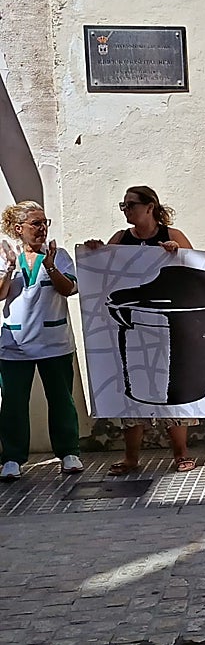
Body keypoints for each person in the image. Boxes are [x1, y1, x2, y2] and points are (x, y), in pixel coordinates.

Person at [84, 186, 199, 474]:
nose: (126, 211)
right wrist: (96, 253)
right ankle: (132, 458)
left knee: (170, 390)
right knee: (131, 393)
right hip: (132, 324)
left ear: (150, 206)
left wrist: (178, 254)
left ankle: (181, 454)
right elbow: (104, 270)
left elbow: (196, 269)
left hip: (169, 327)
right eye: (123, 206)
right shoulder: (121, 239)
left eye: (131, 205)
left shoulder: (173, 236)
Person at [0, 202, 84, 480]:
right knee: (13, 402)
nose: (42, 228)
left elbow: (69, 288)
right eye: (35, 224)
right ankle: (12, 458)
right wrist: (9, 268)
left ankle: (69, 452)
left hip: (53, 341)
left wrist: (50, 268)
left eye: (44, 222)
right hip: (14, 344)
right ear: (18, 228)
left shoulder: (58, 256)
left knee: (61, 398)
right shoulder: (5, 256)